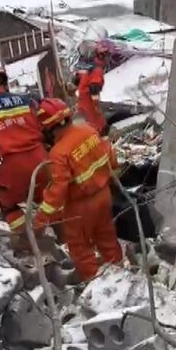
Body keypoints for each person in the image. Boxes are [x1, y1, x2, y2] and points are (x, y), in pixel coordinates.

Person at [33, 98, 122, 281]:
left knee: (80, 247)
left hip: (81, 207)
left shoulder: (58, 152)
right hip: (104, 195)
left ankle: (94, 284)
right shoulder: (88, 130)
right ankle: (121, 275)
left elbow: (58, 190)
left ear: (49, 128)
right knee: (107, 238)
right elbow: (110, 156)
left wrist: (40, 220)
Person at [0, 65, 49, 238]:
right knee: (50, 199)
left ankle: (27, 240)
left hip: (14, 168)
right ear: (4, 82)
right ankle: (62, 237)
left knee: (8, 205)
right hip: (42, 159)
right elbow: (45, 127)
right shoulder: (28, 101)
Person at [72, 42, 110, 135]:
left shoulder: (91, 68)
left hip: (84, 101)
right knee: (94, 123)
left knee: (90, 122)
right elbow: (92, 86)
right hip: (86, 102)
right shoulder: (94, 69)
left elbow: (78, 80)